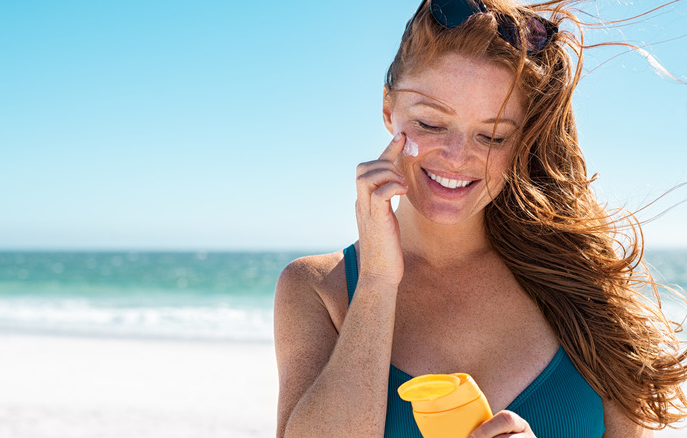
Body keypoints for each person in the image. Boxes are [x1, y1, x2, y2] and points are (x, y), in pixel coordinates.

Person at [273, 0, 687, 437]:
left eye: (491, 136)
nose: (457, 158)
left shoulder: (588, 284)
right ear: (387, 109)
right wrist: (376, 281)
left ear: (522, 139)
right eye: (431, 123)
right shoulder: (318, 290)